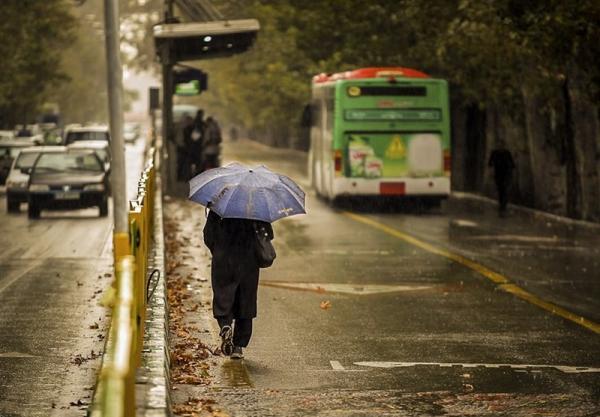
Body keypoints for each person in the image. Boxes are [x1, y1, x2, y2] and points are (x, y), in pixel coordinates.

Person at [203, 208, 274, 359]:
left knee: (223, 296)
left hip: (223, 257)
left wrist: (218, 250)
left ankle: (225, 325)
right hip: (248, 260)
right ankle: (238, 347)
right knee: (245, 301)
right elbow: (268, 234)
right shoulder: (257, 207)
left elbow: (208, 235)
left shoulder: (219, 206)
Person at [488, 144, 515, 216]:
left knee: (504, 189)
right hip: (498, 174)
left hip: (506, 174)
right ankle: (501, 205)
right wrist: (491, 172)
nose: (501, 147)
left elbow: (512, 164)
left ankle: (503, 206)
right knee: (500, 189)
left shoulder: (507, 153)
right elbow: (490, 163)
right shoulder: (494, 153)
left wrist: (511, 173)